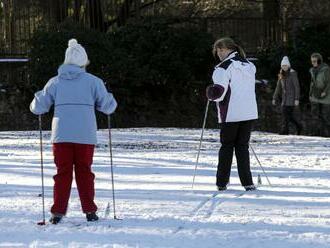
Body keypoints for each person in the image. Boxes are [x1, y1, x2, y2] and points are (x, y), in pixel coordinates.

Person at [30, 39, 117, 224]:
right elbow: (108, 106)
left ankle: (57, 212)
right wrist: (110, 99)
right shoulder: (94, 82)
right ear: (83, 61)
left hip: (61, 135)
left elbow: (39, 107)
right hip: (85, 135)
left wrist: (36, 100)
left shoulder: (54, 82)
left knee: (63, 172)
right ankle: (90, 211)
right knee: (85, 172)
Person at [206, 37, 257, 191]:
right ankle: (247, 182)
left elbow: (219, 93)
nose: (218, 54)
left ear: (224, 49)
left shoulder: (222, 68)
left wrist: (210, 92)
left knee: (227, 147)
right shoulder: (249, 65)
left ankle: (221, 182)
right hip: (248, 112)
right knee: (242, 147)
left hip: (231, 113)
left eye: (218, 50)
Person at [272, 56, 302, 135]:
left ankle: (285, 131)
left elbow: (297, 87)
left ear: (288, 66)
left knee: (286, 115)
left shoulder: (293, 74)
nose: (284, 67)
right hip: (284, 99)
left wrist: (296, 99)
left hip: (291, 99)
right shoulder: (281, 74)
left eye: (285, 65)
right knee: (288, 116)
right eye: (283, 66)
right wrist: (274, 97)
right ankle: (298, 126)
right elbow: (278, 87)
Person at [309, 53, 330, 137]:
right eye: (312, 61)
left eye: (314, 61)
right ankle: (316, 133)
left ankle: (326, 134)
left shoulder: (326, 69)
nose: (313, 63)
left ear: (319, 60)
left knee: (325, 116)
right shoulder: (312, 70)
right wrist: (310, 94)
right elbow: (312, 83)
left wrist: (325, 91)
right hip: (315, 95)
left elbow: (329, 82)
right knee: (315, 115)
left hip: (326, 96)